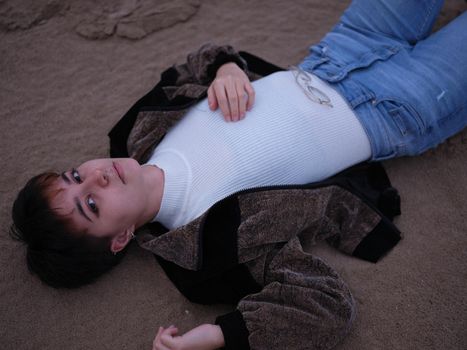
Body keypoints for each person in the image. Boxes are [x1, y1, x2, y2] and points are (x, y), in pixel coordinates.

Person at [10, 1, 466, 349]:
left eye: (74, 175)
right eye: (90, 206)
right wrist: (218, 335)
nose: (96, 178)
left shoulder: (135, 134)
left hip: (338, 50)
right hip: (395, 108)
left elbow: (197, 61)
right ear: (119, 238)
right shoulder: (209, 246)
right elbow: (325, 304)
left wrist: (226, 68)